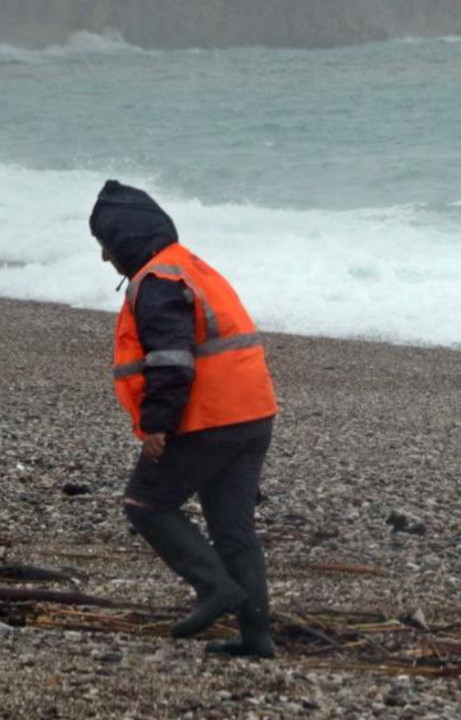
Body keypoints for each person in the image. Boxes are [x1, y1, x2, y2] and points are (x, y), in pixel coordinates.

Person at [90, 179, 279, 658]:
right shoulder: (193, 266)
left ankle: (214, 588)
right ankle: (257, 638)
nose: (106, 259)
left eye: (106, 247)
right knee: (233, 530)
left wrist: (158, 426)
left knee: (146, 504)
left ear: (125, 240)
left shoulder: (159, 279)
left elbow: (171, 359)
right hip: (253, 414)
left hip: (209, 419)